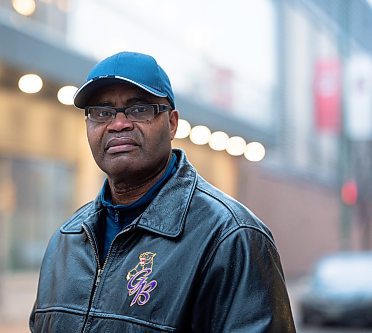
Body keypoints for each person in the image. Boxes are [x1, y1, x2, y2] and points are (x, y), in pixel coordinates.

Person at [29, 51, 296, 332]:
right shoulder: (66, 241)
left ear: (172, 123)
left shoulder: (231, 237)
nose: (118, 124)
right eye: (102, 112)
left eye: (139, 109)